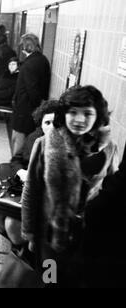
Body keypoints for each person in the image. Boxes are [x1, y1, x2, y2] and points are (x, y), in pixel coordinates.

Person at [21, 85, 119, 287]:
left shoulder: (109, 148)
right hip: (50, 236)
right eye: (72, 112)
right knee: (50, 281)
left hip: (88, 238)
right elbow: (31, 190)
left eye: (87, 113)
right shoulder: (45, 143)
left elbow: (112, 190)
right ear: (63, 114)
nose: (79, 120)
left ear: (98, 115)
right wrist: (29, 233)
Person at [0, 100, 59, 246]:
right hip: (23, 186)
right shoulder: (35, 137)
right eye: (47, 123)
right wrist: (21, 172)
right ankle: (18, 244)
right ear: (41, 124)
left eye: (56, 123)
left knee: (12, 223)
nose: (51, 128)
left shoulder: (63, 148)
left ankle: (21, 248)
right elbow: (16, 159)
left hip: (43, 197)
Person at [83, 143, 126, 287]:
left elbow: (115, 175)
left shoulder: (109, 147)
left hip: (83, 220)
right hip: (50, 226)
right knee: (50, 268)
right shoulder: (48, 144)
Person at [12, 33, 51, 157]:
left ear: (26, 46)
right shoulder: (43, 60)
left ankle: (16, 169)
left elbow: (32, 90)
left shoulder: (28, 64)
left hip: (25, 110)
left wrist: (36, 109)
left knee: (18, 142)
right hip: (34, 110)